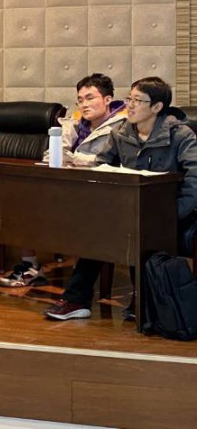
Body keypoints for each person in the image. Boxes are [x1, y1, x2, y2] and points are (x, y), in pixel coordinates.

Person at [44, 77, 197, 322]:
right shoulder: (120, 132)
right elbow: (103, 167)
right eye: (129, 99)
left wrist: (172, 214)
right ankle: (76, 300)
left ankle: (143, 301)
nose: (130, 105)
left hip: (172, 213)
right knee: (99, 229)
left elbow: (194, 181)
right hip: (131, 208)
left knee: (141, 230)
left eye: (138, 101)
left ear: (157, 107)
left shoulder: (181, 135)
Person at [0, 73, 127, 288]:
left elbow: (104, 162)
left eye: (90, 98)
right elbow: (50, 156)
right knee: (23, 201)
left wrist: (72, 159)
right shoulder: (74, 123)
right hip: (68, 186)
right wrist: (68, 156)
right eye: (80, 100)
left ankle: (79, 277)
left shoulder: (122, 127)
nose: (84, 105)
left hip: (100, 193)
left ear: (107, 99)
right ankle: (30, 267)